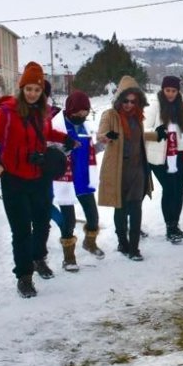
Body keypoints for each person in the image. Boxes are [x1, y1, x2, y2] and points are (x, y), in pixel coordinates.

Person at [0, 62, 69, 298]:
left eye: (37, 89)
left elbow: (47, 132)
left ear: (42, 92)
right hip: (14, 179)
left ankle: (38, 258)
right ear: (22, 89)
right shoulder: (7, 112)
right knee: (21, 230)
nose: (32, 93)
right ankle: (24, 276)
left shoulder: (42, 113)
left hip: (39, 175)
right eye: (28, 88)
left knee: (42, 223)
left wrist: (66, 139)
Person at [98, 76, 157, 259]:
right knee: (120, 208)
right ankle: (122, 242)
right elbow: (101, 134)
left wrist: (155, 135)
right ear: (119, 99)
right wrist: (107, 136)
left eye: (133, 101)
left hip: (138, 168)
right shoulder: (110, 115)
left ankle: (134, 248)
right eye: (126, 101)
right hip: (118, 169)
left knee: (136, 207)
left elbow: (135, 137)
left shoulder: (137, 117)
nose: (129, 105)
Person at [51, 90, 103, 270]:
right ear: (69, 110)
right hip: (64, 178)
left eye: (85, 112)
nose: (82, 116)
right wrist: (64, 149)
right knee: (69, 221)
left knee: (93, 217)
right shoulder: (57, 125)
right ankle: (69, 257)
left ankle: (89, 243)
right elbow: (50, 152)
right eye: (78, 113)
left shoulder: (84, 126)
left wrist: (103, 143)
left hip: (82, 177)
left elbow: (88, 151)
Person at [146, 76, 183, 243]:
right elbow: (144, 128)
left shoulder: (181, 107)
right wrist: (156, 131)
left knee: (179, 189)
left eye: (174, 91)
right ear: (163, 90)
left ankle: (175, 225)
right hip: (160, 156)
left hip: (177, 153)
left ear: (178, 91)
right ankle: (169, 227)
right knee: (169, 189)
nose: (171, 94)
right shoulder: (155, 105)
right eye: (168, 90)